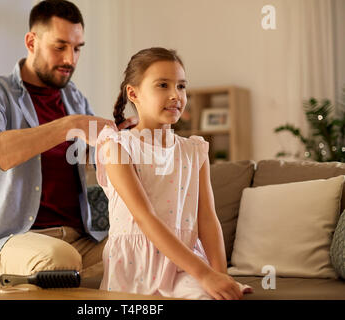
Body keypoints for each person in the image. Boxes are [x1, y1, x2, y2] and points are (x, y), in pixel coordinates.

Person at [0, 0, 136, 289]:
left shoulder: (74, 99)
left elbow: (94, 158)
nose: (71, 58)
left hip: (81, 238)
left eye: (78, 48)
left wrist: (117, 139)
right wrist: (67, 126)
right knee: (59, 260)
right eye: (60, 46)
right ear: (32, 41)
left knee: (143, 252)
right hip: (14, 241)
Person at [95, 47, 253, 300]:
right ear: (133, 93)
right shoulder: (117, 146)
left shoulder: (194, 150)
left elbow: (207, 219)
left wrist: (219, 276)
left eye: (181, 86)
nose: (175, 95)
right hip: (136, 269)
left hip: (185, 264)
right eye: (162, 85)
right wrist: (204, 275)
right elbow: (145, 218)